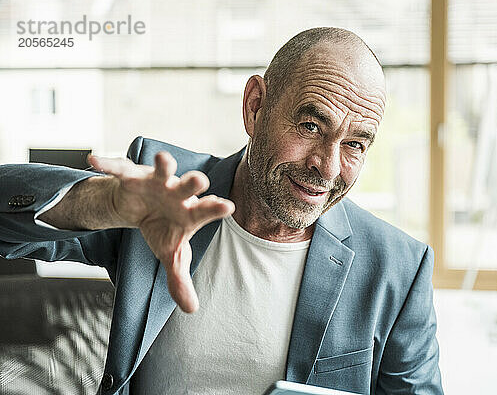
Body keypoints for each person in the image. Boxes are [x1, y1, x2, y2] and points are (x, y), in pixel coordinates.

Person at [0, 27, 443, 394]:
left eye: (354, 145)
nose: (326, 166)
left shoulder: (397, 269)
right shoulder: (167, 198)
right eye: (310, 126)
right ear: (255, 107)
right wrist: (106, 202)